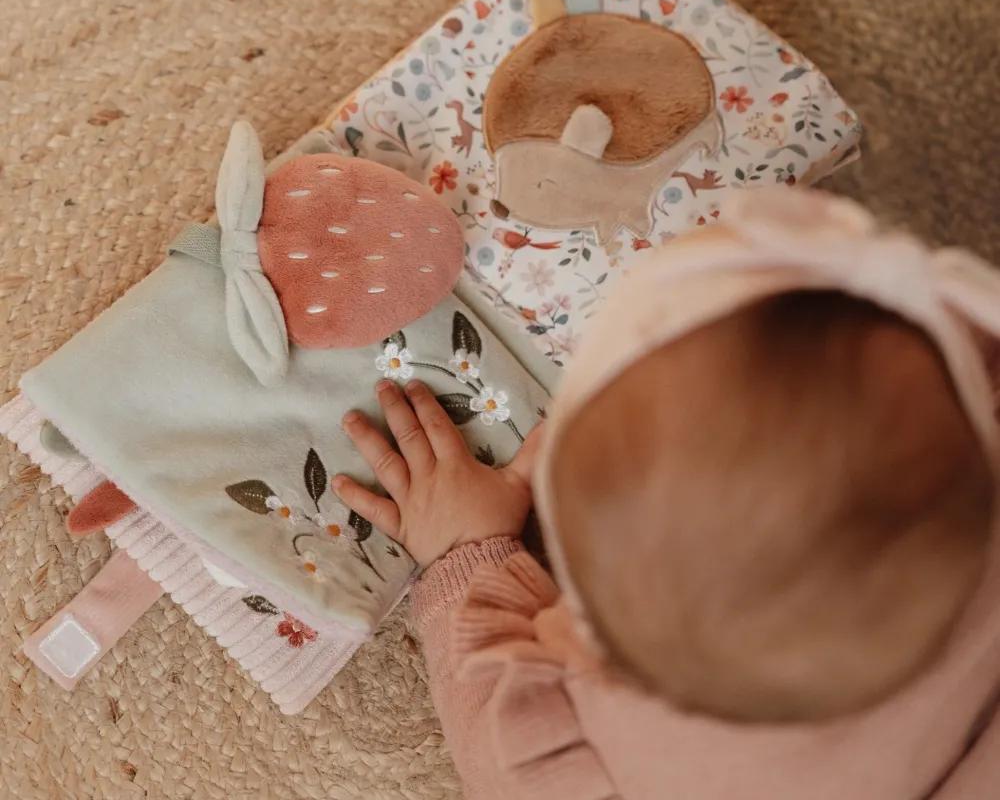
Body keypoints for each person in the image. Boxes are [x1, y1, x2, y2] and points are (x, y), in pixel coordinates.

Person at [334, 188, 1000, 800]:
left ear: (589, 636)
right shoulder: (955, 475)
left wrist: (467, 548)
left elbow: (494, 747)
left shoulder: (600, 746)